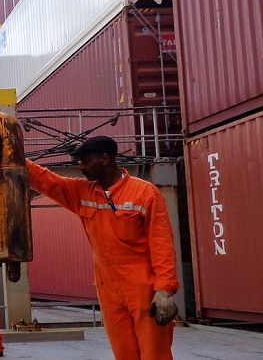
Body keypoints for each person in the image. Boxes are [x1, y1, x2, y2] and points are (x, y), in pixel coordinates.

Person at [26, 136, 179, 360]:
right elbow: (47, 181)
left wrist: (164, 290)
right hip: (108, 288)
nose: (81, 167)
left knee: (154, 353)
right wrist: (10, 151)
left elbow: (162, 244)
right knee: (124, 353)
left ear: (105, 159)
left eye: (85, 161)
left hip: (143, 287)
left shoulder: (145, 194)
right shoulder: (83, 193)